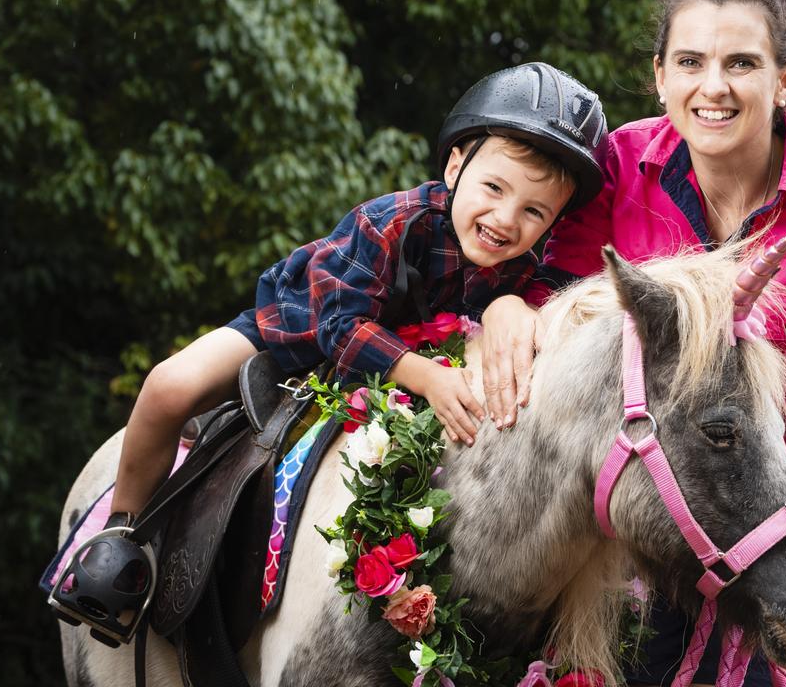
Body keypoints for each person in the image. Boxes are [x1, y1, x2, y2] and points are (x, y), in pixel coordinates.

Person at [54, 62, 608, 628]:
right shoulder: (391, 222)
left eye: (534, 212)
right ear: (455, 164)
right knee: (170, 385)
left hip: (390, 387)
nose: (505, 220)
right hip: (296, 339)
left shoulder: (525, 272)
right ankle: (119, 536)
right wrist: (428, 377)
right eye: (494, 188)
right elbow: (340, 328)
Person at [478, 0, 786, 686]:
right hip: (631, 517)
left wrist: (759, 495)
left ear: (785, 78)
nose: (714, 87)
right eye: (690, 63)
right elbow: (556, 304)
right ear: (659, 76)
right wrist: (504, 307)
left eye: (741, 63)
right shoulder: (616, 164)